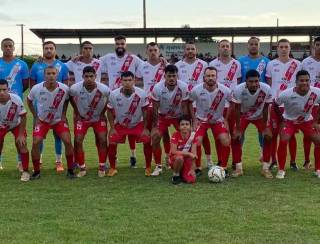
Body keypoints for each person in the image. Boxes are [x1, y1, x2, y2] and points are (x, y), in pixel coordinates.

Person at [100, 35, 143, 167]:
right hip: (114, 97)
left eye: (122, 44)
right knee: (114, 128)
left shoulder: (134, 59)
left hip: (130, 97)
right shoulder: (107, 58)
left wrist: (163, 61)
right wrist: (77, 58)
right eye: (117, 43)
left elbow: (147, 67)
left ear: (126, 45)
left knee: (130, 125)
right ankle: (114, 158)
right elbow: (92, 63)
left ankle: (133, 155)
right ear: (115, 44)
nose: (120, 46)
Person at [27, 66, 76, 179]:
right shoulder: (36, 88)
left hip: (58, 120)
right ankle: (36, 171)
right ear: (44, 75)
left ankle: (70, 170)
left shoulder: (64, 88)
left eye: (53, 73)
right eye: (48, 74)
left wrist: (63, 114)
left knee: (67, 141)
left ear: (57, 75)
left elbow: (68, 100)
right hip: (43, 121)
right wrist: (35, 116)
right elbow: (29, 101)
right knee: (36, 142)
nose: (51, 76)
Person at [30, 41, 68, 172]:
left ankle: (59, 161)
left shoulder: (62, 66)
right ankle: (39, 160)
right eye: (46, 48)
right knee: (39, 137)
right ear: (43, 50)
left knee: (59, 136)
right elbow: (31, 86)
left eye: (51, 48)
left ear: (55, 50)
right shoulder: (36, 65)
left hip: (57, 105)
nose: (48, 50)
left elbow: (66, 87)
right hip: (41, 105)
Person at [274, 70, 320, 179]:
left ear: (310, 81)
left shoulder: (316, 92)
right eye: (301, 80)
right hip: (290, 121)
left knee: (318, 140)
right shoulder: (286, 94)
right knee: (284, 140)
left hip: (307, 121)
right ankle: (281, 169)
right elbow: (275, 104)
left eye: (307, 80)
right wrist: (281, 120)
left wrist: (316, 121)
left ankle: (318, 169)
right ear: (296, 82)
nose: (304, 83)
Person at [107, 71, 152, 176]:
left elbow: (146, 111)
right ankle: (113, 168)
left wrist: (145, 128)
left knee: (146, 140)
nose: (127, 82)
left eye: (130, 80)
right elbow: (109, 111)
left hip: (137, 124)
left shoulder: (141, 94)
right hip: (120, 124)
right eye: (125, 80)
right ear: (121, 81)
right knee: (112, 141)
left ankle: (148, 167)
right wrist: (112, 128)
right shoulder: (113, 94)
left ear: (134, 81)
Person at [175, 41, 213, 169]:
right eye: (188, 49)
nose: (190, 51)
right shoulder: (178, 65)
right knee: (190, 135)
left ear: (196, 50)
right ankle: (189, 161)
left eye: (193, 49)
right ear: (184, 51)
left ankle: (208, 160)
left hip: (201, 103)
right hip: (186, 103)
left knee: (203, 134)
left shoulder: (203, 64)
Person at [266, 39, 302, 170]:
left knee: (290, 134)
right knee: (274, 133)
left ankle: (293, 162)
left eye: (286, 47)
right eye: (281, 47)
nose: (283, 49)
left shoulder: (298, 64)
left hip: (292, 104)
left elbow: (300, 83)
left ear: (290, 48)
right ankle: (273, 161)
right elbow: (270, 83)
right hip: (276, 103)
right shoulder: (271, 64)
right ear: (277, 48)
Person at [135, 42, 172, 168]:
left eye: (155, 50)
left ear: (159, 51)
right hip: (147, 103)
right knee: (151, 132)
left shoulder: (165, 65)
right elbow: (137, 80)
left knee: (165, 132)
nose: (153, 52)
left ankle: (168, 156)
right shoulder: (142, 66)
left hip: (163, 102)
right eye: (150, 50)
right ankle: (152, 160)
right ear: (146, 52)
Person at [231, 69, 273, 178]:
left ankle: (265, 168)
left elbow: (266, 108)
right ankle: (238, 167)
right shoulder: (238, 89)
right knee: (236, 137)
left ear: (259, 80)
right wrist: (239, 129)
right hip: (243, 116)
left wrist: (265, 128)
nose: (254, 84)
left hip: (259, 116)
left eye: (256, 81)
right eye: (251, 81)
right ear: (246, 81)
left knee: (268, 137)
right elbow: (236, 109)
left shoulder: (266, 89)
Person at [69, 66, 110, 177]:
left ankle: (102, 166)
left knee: (102, 139)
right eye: (86, 76)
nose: (89, 79)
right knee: (77, 141)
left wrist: (103, 112)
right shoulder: (74, 88)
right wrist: (77, 112)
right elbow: (71, 98)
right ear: (82, 77)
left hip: (98, 118)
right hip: (82, 119)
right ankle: (82, 167)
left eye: (91, 76)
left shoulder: (104, 89)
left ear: (95, 76)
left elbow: (110, 100)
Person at [190, 66, 231, 175]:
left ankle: (223, 167)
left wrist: (226, 119)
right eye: (208, 76)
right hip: (201, 121)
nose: (210, 78)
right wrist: (194, 119)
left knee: (225, 140)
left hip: (217, 121)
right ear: (204, 77)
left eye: (213, 75)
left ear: (217, 77)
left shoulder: (225, 90)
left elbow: (233, 103)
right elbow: (188, 102)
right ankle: (198, 167)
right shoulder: (196, 90)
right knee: (196, 141)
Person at [150, 64, 190, 176]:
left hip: (178, 116)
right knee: (156, 136)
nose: (172, 78)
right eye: (169, 76)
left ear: (177, 76)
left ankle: (185, 162)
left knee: (187, 137)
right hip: (162, 116)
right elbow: (155, 108)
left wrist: (186, 123)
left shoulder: (183, 87)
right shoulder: (158, 88)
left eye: (174, 76)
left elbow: (185, 106)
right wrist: (154, 126)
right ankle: (158, 165)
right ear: (165, 76)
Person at [209, 39, 241, 169]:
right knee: (219, 136)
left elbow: (237, 82)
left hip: (232, 105)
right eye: (223, 46)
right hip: (217, 105)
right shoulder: (212, 64)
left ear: (230, 48)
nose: (225, 48)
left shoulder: (236, 64)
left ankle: (236, 161)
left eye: (227, 46)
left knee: (234, 134)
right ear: (219, 48)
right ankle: (221, 161)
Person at [238, 37, 270, 159]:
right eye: (251, 44)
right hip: (245, 99)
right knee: (241, 128)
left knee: (262, 128)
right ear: (248, 45)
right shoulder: (240, 60)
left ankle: (263, 152)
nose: (253, 46)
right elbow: (239, 80)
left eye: (256, 44)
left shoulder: (266, 61)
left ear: (259, 46)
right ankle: (239, 152)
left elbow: (268, 80)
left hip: (260, 100)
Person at [0, 38, 29, 170]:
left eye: (10, 46)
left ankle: (20, 163)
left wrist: (13, 95)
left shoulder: (22, 64)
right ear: (1, 48)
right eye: (5, 46)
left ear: (13, 47)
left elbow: (24, 84)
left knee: (20, 138)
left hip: (15, 105)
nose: (8, 48)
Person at [0, 79, 29, 181]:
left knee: (22, 143)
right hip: (1, 126)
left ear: (8, 89)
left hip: (16, 124)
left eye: (4, 89)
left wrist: (21, 134)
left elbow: (24, 117)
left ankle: (25, 171)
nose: (2, 92)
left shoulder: (16, 99)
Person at [301, 36, 320, 169]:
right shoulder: (306, 62)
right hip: (311, 102)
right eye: (318, 44)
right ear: (313, 46)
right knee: (309, 132)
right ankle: (307, 161)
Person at [170, 115, 197, 185]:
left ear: (190, 126)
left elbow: (194, 155)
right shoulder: (175, 135)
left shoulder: (193, 137)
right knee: (179, 158)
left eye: (187, 124)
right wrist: (188, 154)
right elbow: (173, 151)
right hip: (175, 159)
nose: (185, 126)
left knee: (191, 180)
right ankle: (175, 175)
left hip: (187, 160)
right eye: (182, 124)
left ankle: (182, 173)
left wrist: (192, 169)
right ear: (179, 127)